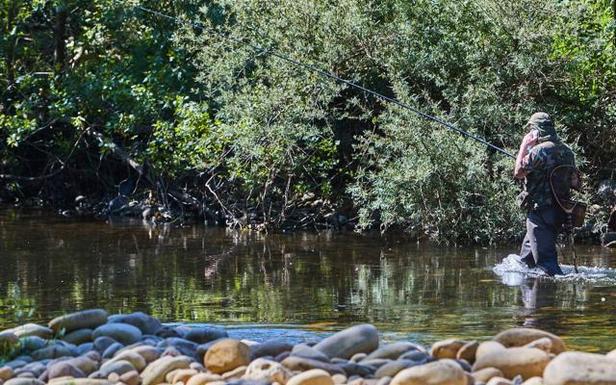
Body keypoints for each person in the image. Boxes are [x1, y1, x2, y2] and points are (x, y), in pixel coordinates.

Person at [513, 112, 577, 276]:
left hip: (540, 211)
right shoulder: (568, 152)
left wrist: (524, 145)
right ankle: (528, 295)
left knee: (547, 266)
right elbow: (573, 181)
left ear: (536, 130)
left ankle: (548, 298)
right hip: (559, 211)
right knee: (526, 262)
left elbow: (518, 172)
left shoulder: (538, 151)